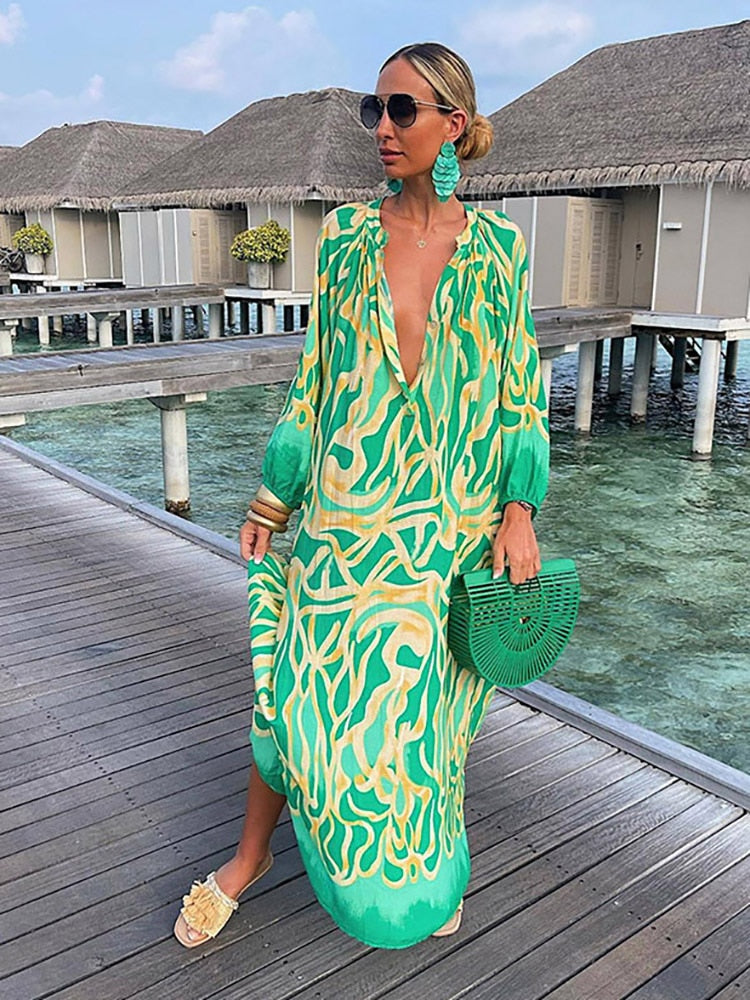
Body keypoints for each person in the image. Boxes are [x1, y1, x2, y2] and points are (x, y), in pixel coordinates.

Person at [174, 40, 549, 951]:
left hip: (450, 529)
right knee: (297, 694)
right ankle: (250, 856)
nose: (381, 127)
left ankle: (427, 865)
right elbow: (316, 383)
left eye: (401, 110)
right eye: (372, 109)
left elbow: (519, 391)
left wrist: (520, 510)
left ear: (453, 124)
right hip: (346, 521)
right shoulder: (344, 237)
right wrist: (273, 497)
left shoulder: (500, 250)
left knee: (428, 720)